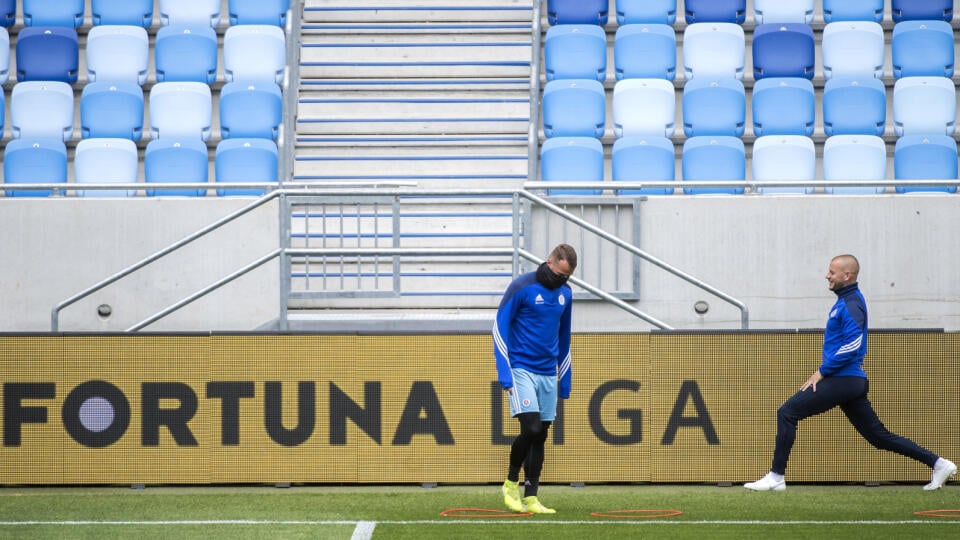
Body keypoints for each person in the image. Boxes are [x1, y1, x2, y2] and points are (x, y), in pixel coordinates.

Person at [745, 254, 956, 492]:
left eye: (832, 272)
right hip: (850, 381)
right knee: (878, 437)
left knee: (787, 412)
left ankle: (775, 477)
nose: (827, 275)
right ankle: (939, 463)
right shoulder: (845, 301)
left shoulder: (851, 302)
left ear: (847, 275)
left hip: (843, 379)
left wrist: (822, 372)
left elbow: (853, 343)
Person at [493, 243, 577, 513]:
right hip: (520, 369)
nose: (561, 280)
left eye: (567, 277)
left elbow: (564, 338)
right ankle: (509, 484)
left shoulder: (566, 294)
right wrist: (505, 373)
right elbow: (499, 328)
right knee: (529, 428)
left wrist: (565, 378)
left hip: (547, 373)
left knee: (540, 435)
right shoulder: (522, 286)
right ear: (549, 262)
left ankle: (531, 497)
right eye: (559, 274)